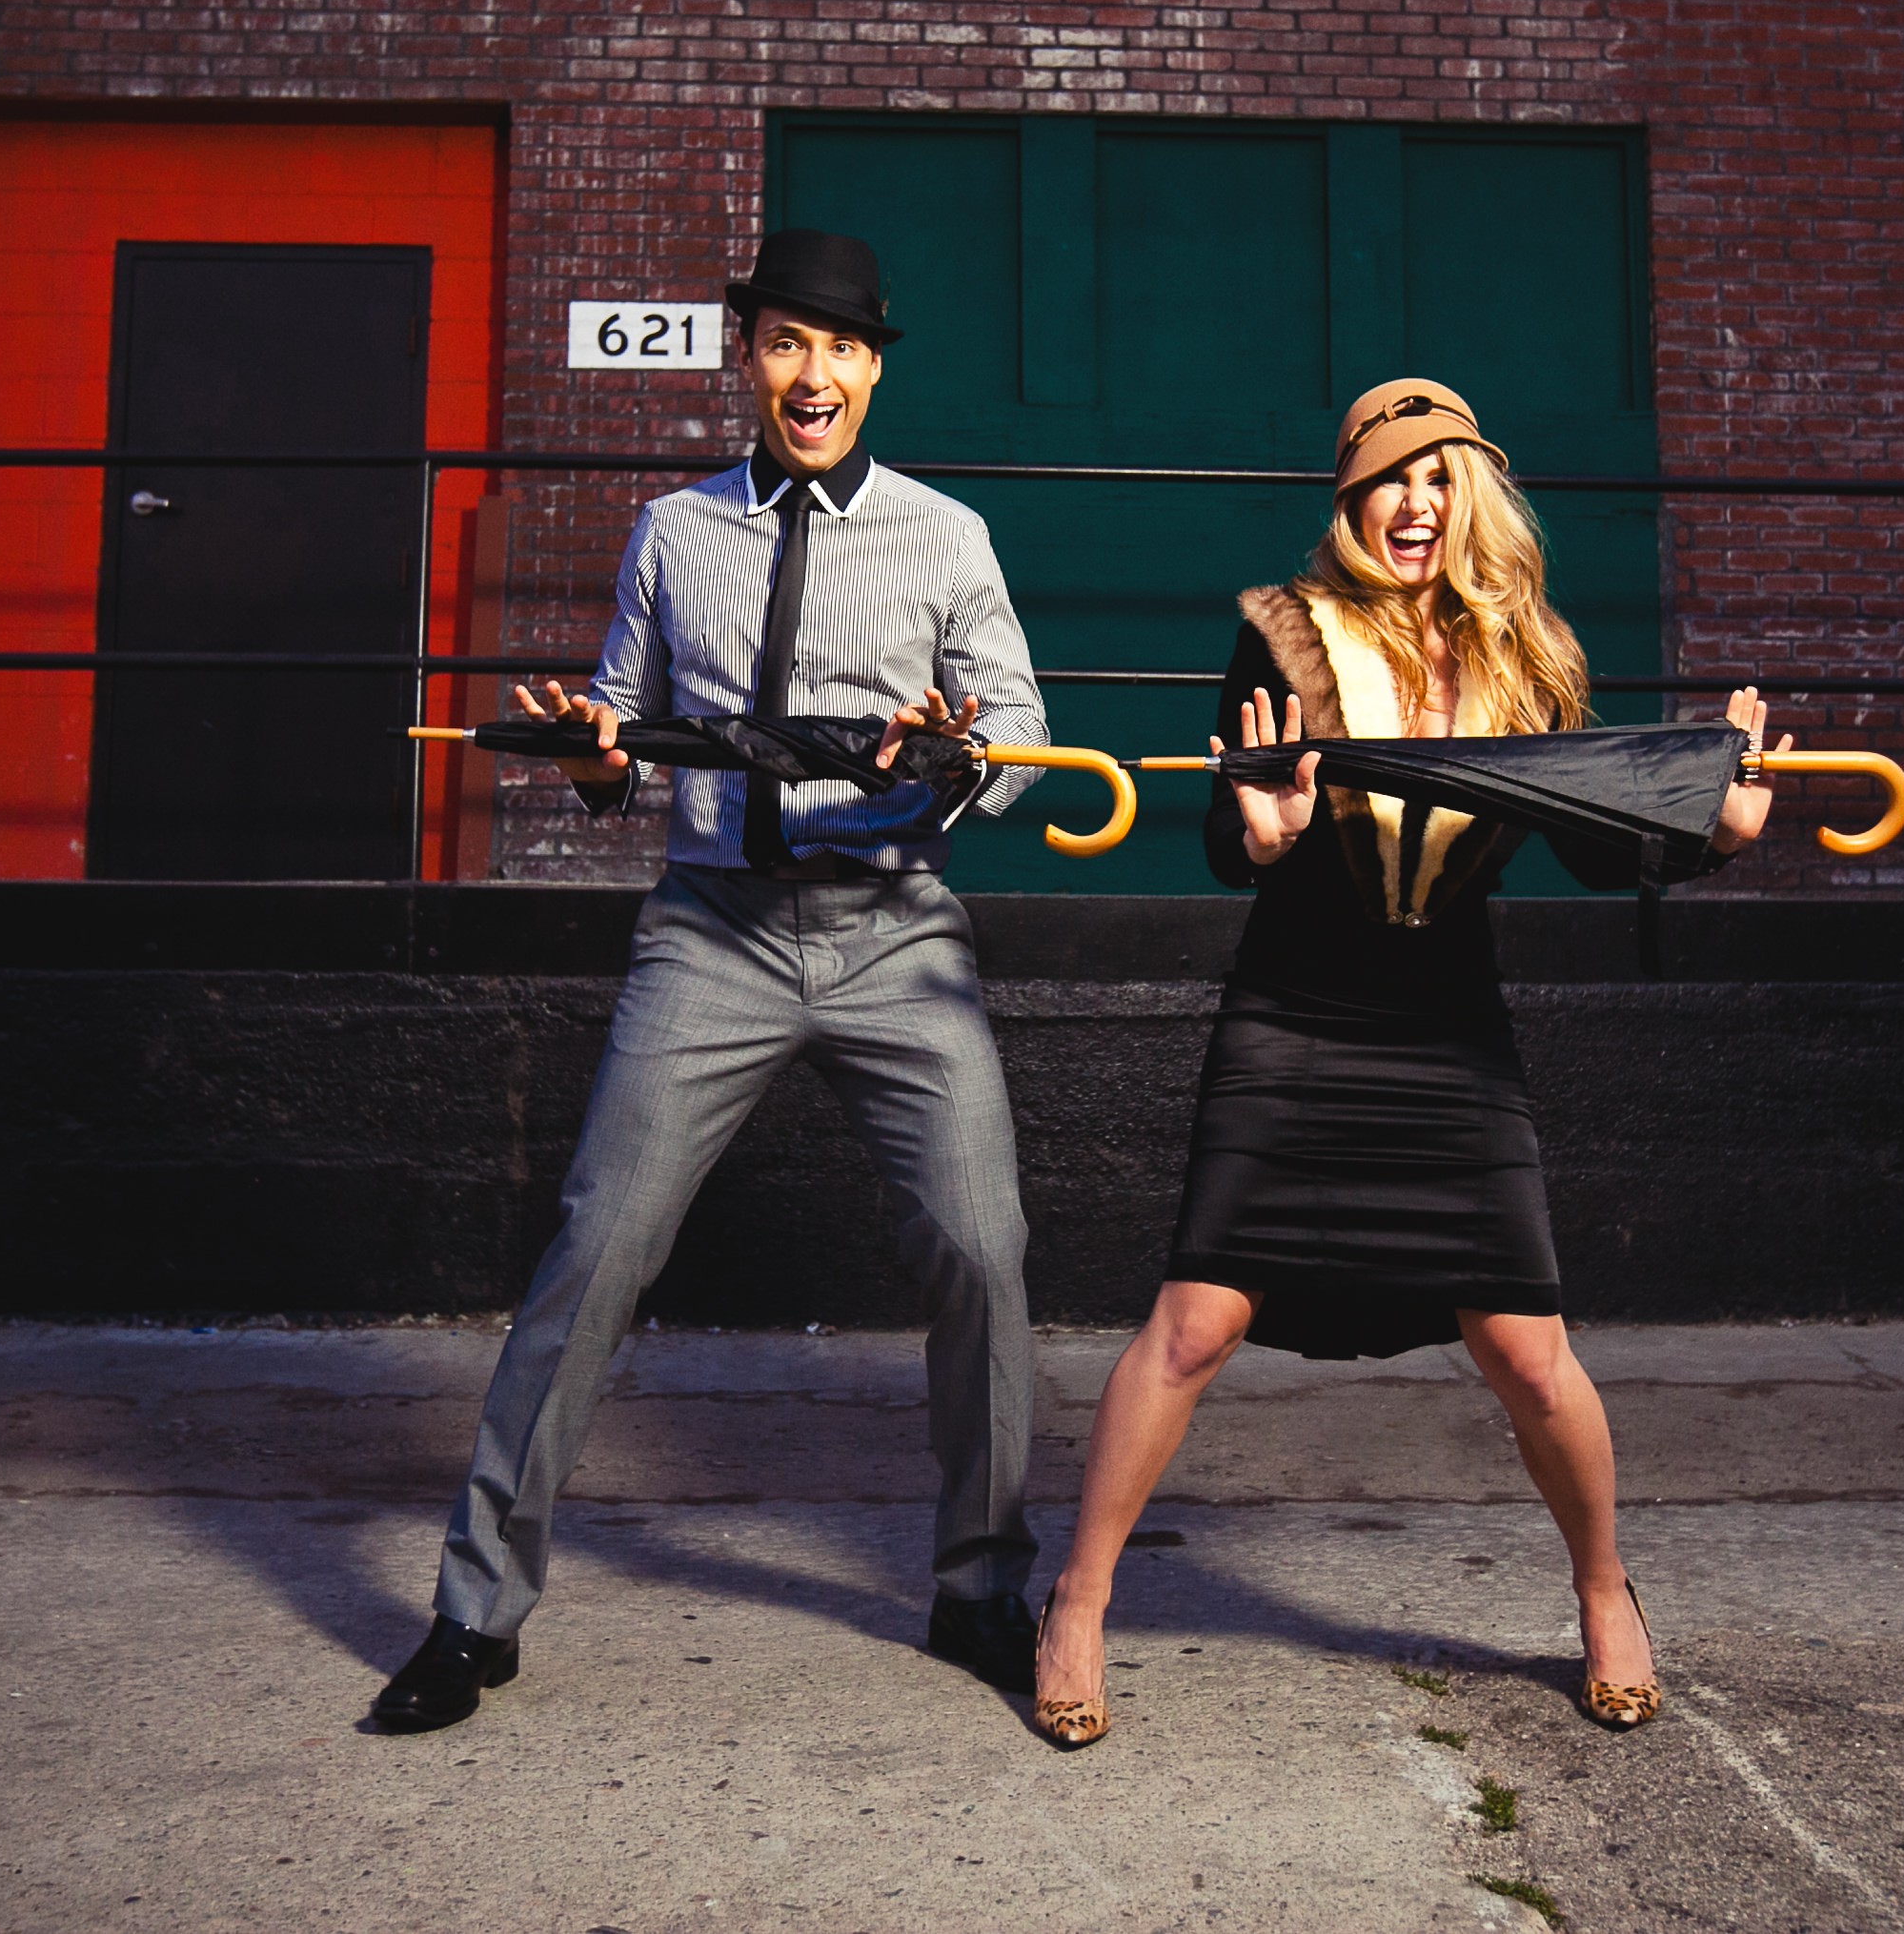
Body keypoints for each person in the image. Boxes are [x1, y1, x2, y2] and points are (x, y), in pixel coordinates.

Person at [1025, 377, 1786, 1751]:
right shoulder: (1284, 632)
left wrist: (1716, 831)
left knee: (1525, 1346)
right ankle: (1078, 1598)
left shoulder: (1529, 656)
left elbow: (1597, 840)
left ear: (1471, 498)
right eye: (1391, 479)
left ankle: (1604, 1588)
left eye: (1441, 479)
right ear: (1350, 498)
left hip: (1443, 1023)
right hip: (1295, 1007)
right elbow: (1230, 816)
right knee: (1195, 1320)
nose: (1418, 504)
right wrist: (1258, 836)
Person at [369, 228, 1054, 1735]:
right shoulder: (672, 532)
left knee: (983, 1246)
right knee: (594, 1247)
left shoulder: (945, 538)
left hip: (893, 925)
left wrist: (960, 754)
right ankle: (474, 1614)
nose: (812, 372)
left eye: (840, 347)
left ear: (873, 368)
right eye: (784, 343)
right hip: (711, 931)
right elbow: (620, 729)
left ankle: (982, 1586)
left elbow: (1015, 740)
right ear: (748, 358)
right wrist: (591, 748)